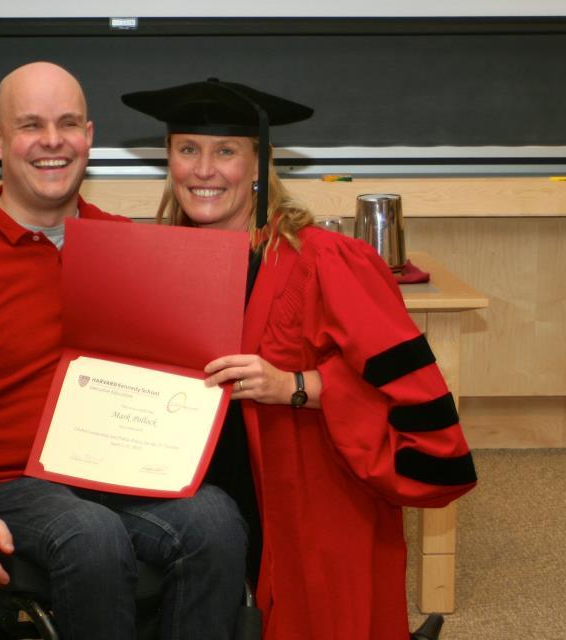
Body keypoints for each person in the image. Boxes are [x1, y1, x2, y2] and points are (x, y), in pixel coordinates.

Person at [0, 63, 247, 640]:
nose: (51, 141)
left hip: (114, 468)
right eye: (30, 125)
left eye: (67, 124)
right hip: (0, 482)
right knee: (91, 537)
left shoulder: (127, 246)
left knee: (216, 519)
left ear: (89, 137)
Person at [122, 79, 478, 640]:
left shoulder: (326, 261)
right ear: (169, 161)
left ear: (259, 165)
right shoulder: (159, 262)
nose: (204, 170)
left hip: (306, 499)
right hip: (195, 498)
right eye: (188, 150)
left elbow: (414, 400)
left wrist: (297, 384)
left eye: (226, 152)